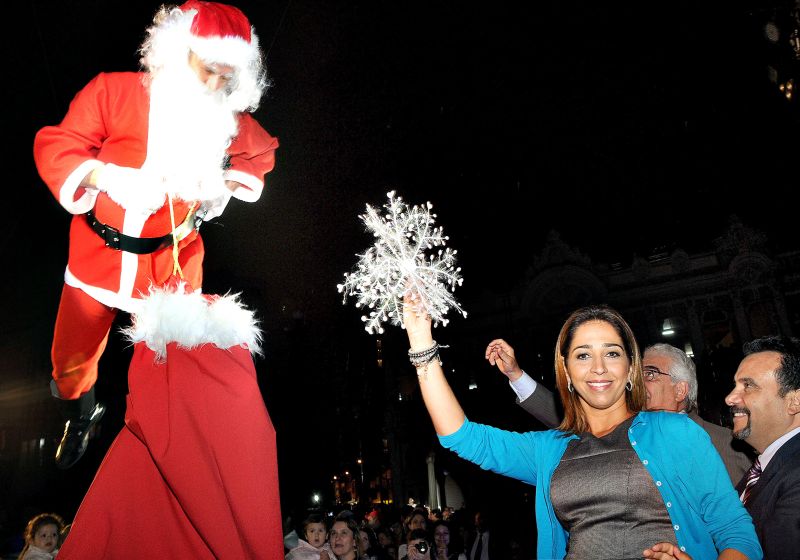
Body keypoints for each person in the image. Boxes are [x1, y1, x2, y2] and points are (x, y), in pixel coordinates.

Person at [32, 0, 279, 469]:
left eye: (226, 77)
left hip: (172, 264)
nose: (214, 86)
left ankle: (167, 450)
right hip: (96, 257)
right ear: (180, 52)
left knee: (176, 363)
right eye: (207, 70)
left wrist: (221, 188)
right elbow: (57, 144)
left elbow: (260, 154)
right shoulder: (116, 92)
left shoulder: (228, 120)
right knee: (70, 361)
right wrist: (106, 178)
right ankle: (80, 413)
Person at [405, 300, 762, 560]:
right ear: (567, 371)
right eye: (583, 355)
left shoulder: (675, 431)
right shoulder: (549, 449)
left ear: (630, 368)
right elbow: (460, 436)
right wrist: (421, 344)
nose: (598, 368)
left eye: (612, 353)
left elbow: (737, 533)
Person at [488, 339, 754, 484]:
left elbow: (746, 528)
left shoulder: (724, 444)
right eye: (636, 375)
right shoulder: (626, 431)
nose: (637, 383)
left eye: (650, 374)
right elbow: (569, 419)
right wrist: (516, 375)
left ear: (680, 390)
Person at [724, 335, 800, 559]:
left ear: (795, 401)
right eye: (735, 385)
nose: (730, 398)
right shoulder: (764, 469)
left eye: (748, 386)